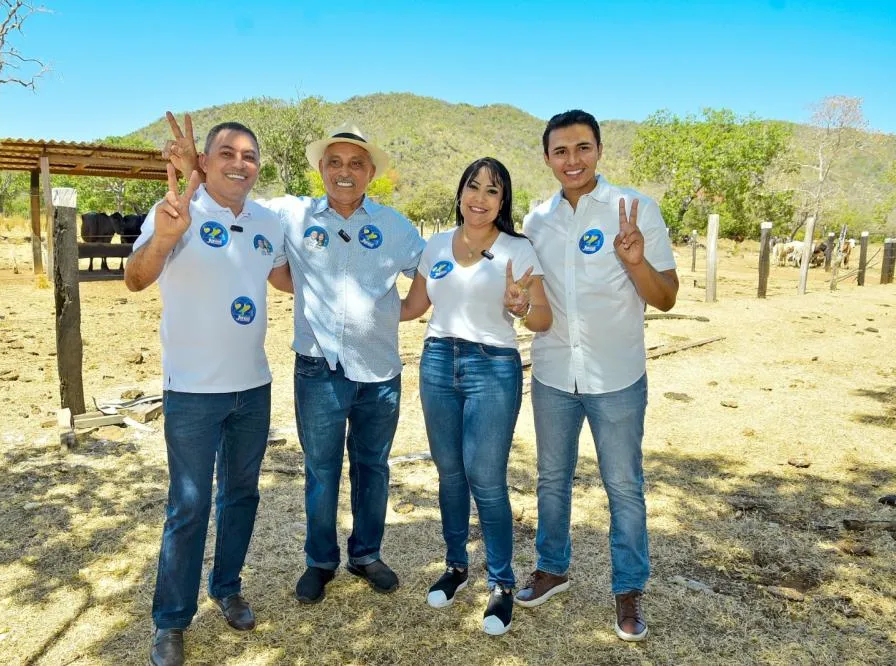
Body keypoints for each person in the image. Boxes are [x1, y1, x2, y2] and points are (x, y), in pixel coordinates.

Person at [164, 116, 425, 605]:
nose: (344, 172)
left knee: (373, 465)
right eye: (334, 163)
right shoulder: (289, 215)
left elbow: (428, 269)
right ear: (321, 170)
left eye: (356, 164)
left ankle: (366, 554)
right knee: (321, 469)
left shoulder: (395, 226)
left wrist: (407, 311)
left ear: (371, 172)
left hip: (380, 372)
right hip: (317, 369)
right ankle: (320, 562)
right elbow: (237, 207)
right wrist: (193, 171)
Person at [125, 120, 293, 666]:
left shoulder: (269, 221)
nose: (239, 163)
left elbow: (284, 276)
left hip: (253, 387)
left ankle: (227, 586)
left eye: (249, 154)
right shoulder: (177, 209)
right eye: (227, 153)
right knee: (189, 506)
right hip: (193, 392)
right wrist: (167, 236)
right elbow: (135, 277)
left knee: (242, 496)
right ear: (207, 160)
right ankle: (171, 621)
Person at [514, 110, 679, 642]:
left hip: (618, 376)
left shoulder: (635, 210)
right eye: (561, 151)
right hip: (555, 373)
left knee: (624, 487)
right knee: (552, 479)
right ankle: (552, 568)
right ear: (546, 159)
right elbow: (534, 296)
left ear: (599, 151)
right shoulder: (537, 220)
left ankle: (628, 589)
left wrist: (634, 261)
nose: (572, 160)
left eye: (582, 148)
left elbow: (667, 297)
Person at [400, 157, 551, 635]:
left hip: (493, 365)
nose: (480, 198)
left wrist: (523, 305)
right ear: (460, 191)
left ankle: (502, 583)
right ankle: (456, 566)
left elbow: (543, 320)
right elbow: (413, 306)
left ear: (503, 201)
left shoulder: (519, 250)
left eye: (492, 190)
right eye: (473, 186)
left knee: (485, 477)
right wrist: (353, 297)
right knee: (449, 474)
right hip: (438, 361)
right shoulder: (435, 245)